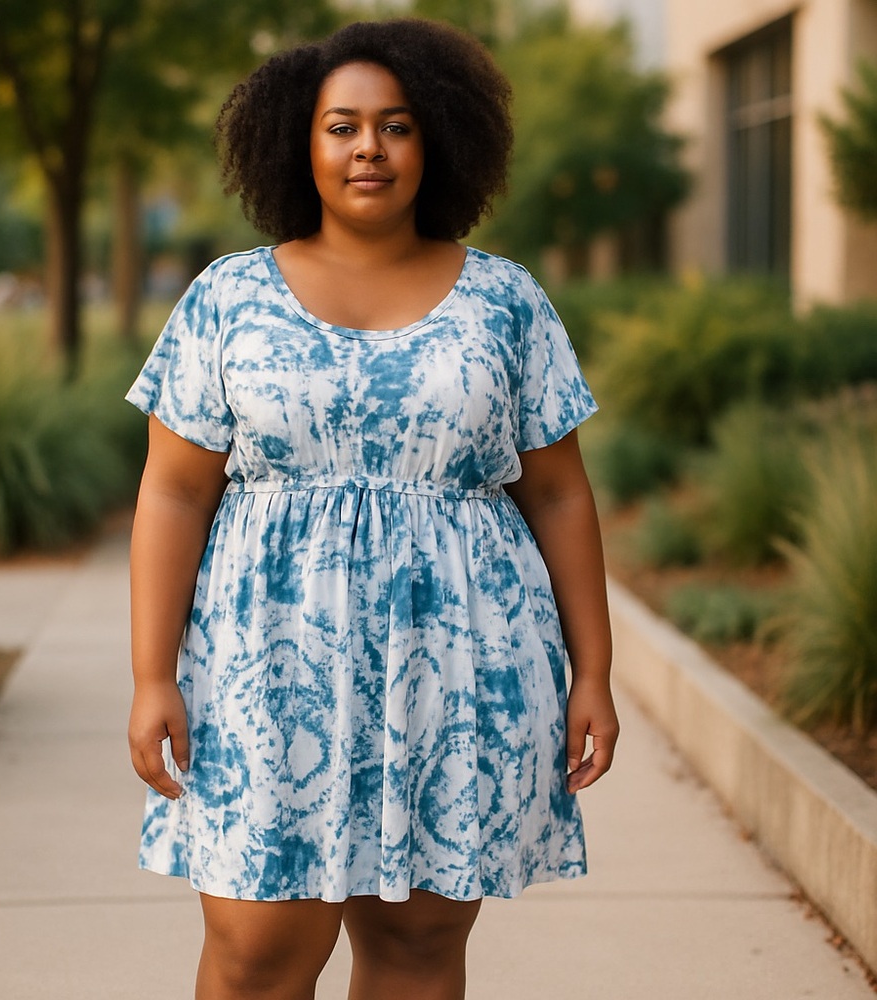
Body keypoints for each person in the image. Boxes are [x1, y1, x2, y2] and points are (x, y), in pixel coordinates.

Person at [126, 17, 618, 1000]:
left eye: (394, 127)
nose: (368, 149)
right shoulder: (226, 300)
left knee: (417, 949)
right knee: (254, 953)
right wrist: (150, 674)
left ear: (433, 140)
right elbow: (176, 490)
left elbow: (558, 491)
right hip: (267, 666)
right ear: (297, 144)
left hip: (463, 665)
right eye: (341, 126)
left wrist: (593, 671)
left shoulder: (505, 303)